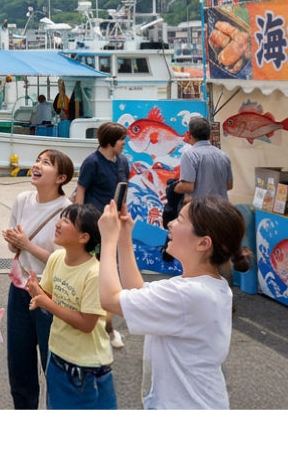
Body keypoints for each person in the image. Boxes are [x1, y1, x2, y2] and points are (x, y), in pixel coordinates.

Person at [98, 196, 251, 409]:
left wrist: (108, 239)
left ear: (203, 243)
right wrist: (124, 236)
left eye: (179, 219)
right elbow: (137, 292)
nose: (170, 223)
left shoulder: (189, 294)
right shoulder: (206, 286)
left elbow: (110, 299)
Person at [2, 148, 73, 409]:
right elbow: (15, 248)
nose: (37, 165)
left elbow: (65, 263)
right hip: (19, 287)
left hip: (49, 292)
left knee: (51, 360)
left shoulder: (67, 211)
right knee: (19, 361)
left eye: (46, 163)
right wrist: (14, 243)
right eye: (38, 160)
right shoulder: (22, 199)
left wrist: (26, 244)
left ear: (61, 178)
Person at [27, 203, 116, 409]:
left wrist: (45, 302)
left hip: (87, 369)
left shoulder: (94, 273)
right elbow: (50, 296)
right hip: (57, 357)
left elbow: (87, 324)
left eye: (66, 221)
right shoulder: (57, 258)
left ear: (84, 237)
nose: (57, 224)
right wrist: (35, 290)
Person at [73, 121, 129, 349]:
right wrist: (78, 222)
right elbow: (81, 191)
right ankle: (87, 322)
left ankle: (108, 327)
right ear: (110, 141)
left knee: (108, 276)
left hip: (113, 226)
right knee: (89, 275)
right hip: (93, 227)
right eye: (122, 140)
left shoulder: (123, 161)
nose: (125, 144)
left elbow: (124, 190)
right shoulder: (92, 162)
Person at [176, 115, 233, 202]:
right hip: (222, 209)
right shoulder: (223, 155)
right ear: (210, 134)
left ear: (189, 134)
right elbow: (229, 185)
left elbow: (187, 186)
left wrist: (172, 188)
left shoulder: (190, 155)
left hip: (202, 210)